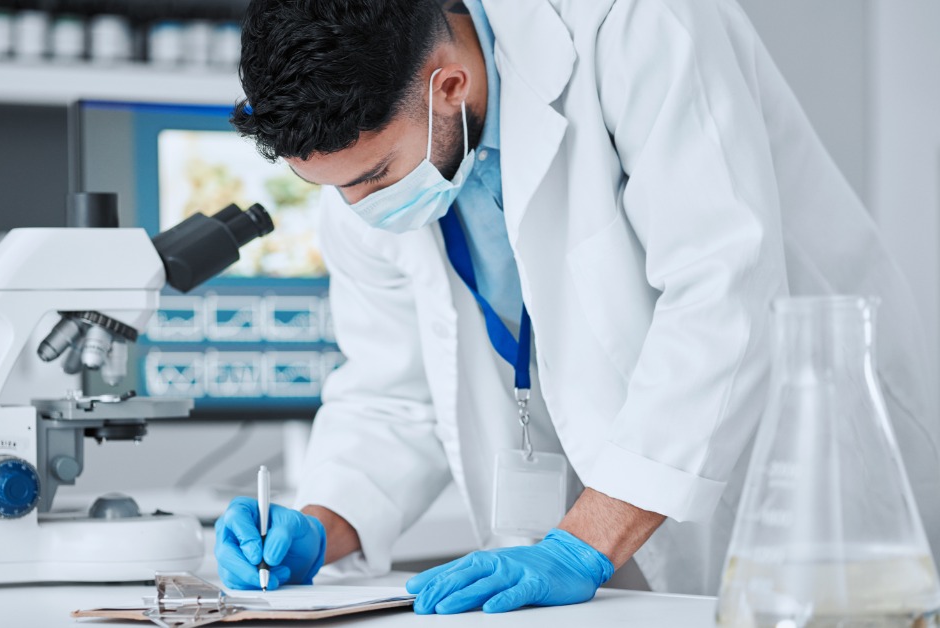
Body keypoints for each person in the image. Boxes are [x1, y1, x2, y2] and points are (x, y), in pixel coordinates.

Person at [214, 0, 940, 615]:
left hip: (787, 469)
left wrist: (582, 543)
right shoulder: (375, 149)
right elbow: (392, 390)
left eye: (374, 177)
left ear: (450, 85)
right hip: (596, 535)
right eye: (333, 188)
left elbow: (725, 293)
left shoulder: (631, 24)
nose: (356, 208)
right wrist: (324, 521)